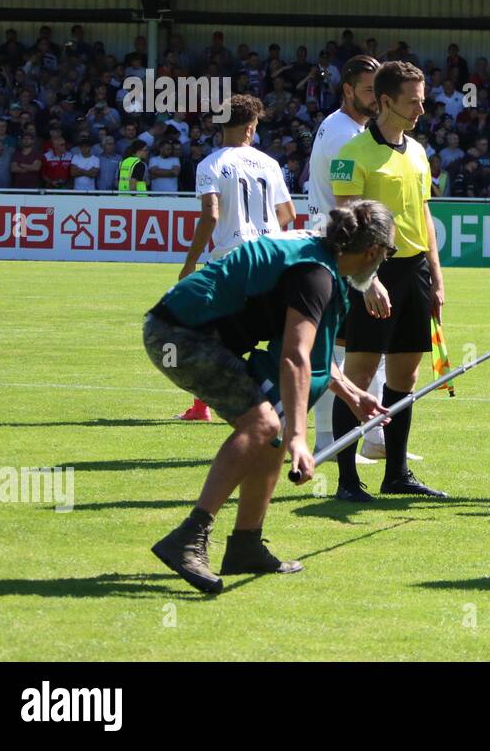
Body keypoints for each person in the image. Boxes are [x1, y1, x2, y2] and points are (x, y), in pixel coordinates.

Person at [146, 200, 394, 593]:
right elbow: (295, 357)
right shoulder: (316, 276)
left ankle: (245, 544)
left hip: (184, 330)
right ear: (373, 252)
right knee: (264, 424)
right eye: (386, 254)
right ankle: (188, 537)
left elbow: (311, 351)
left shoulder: (319, 259)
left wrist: (351, 393)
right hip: (179, 335)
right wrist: (298, 436)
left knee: (270, 428)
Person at [331, 61, 446, 501]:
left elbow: (424, 216)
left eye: (422, 100)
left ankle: (396, 474)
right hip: (372, 270)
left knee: (406, 374)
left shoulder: (418, 152)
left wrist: (436, 277)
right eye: (412, 101)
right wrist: (368, 277)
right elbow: (348, 223)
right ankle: (346, 480)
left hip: (414, 271)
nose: (420, 108)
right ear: (384, 101)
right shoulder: (353, 155)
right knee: (359, 373)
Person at [176, 95, 296, 422]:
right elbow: (287, 213)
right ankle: (279, 403)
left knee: (204, 332)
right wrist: (264, 230)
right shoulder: (270, 164)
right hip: (272, 259)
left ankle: (205, 407)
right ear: (249, 128)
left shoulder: (211, 164)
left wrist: (190, 264)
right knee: (277, 334)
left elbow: (210, 216)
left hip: (232, 260)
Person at [307, 55, 388, 463]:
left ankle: (374, 439)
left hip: (347, 252)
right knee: (339, 353)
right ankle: (326, 440)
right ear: (348, 90)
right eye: (370, 89)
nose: (377, 97)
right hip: (340, 253)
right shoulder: (343, 135)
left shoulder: (352, 130)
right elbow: (346, 207)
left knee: (369, 349)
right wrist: (367, 275)